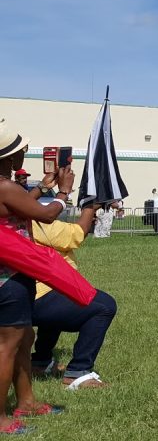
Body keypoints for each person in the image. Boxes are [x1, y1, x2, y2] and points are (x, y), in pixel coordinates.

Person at [0, 125, 72, 434]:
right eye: (20, 149)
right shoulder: (4, 187)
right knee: (7, 345)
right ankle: (1, 418)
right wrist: (64, 193)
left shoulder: (6, 187)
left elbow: (18, 206)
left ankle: (26, 401)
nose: (24, 152)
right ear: (8, 155)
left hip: (16, 273)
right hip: (9, 278)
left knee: (25, 338)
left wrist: (41, 189)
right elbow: (45, 216)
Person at [30, 204, 117, 389]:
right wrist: (89, 208)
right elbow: (74, 236)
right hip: (34, 295)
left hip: (30, 292)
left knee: (57, 306)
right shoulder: (31, 220)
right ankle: (79, 371)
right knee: (104, 306)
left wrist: (51, 190)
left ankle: (40, 362)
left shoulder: (16, 217)